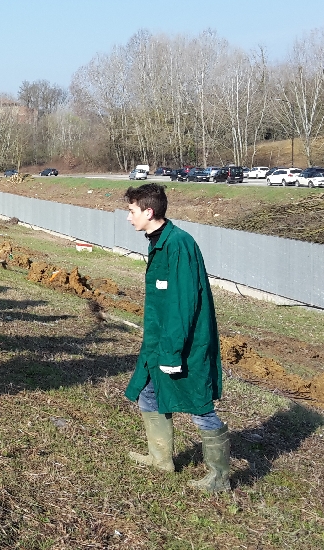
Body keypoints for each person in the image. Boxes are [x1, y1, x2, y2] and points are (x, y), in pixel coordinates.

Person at [123, 183, 230, 493]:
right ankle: (161, 459)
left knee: (199, 405)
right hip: (162, 341)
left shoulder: (178, 245)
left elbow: (183, 304)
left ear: (148, 211)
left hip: (184, 344)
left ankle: (219, 477)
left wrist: (171, 353)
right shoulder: (160, 241)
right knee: (148, 393)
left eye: (132, 211)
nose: (129, 218)